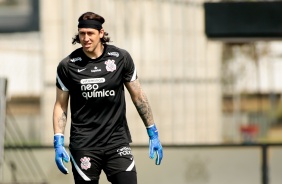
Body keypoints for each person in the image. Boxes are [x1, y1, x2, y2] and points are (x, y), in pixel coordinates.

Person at [53, 11, 163, 184]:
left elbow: (139, 97)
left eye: (90, 33)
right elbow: (61, 105)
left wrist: (153, 132)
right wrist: (58, 141)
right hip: (84, 145)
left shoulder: (121, 58)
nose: (86, 38)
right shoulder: (67, 66)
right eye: (82, 34)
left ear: (101, 33)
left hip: (117, 143)